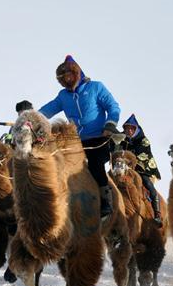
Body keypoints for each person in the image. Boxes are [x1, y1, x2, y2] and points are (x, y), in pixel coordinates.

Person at [39, 55, 121, 221]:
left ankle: (106, 200)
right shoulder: (63, 96)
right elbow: (47, 110)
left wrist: (110, 124)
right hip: (76, 142)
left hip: (100, 138)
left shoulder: (96, 87)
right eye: (62, 78)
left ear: (77, 74)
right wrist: (31, 118)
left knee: (95, 164)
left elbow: (113, 106)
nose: (66, 80)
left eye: (69, 75)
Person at [114, 114, 163, 226]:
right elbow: (116, 151)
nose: (129, 131)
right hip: (123, 169)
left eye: (131, 128)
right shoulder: (122, 140)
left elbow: (143, 155)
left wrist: (128, 160)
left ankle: (157, 214)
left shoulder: (143, 140)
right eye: (127, 128)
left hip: (142, 168)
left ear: (136, 129)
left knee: (149, 186)